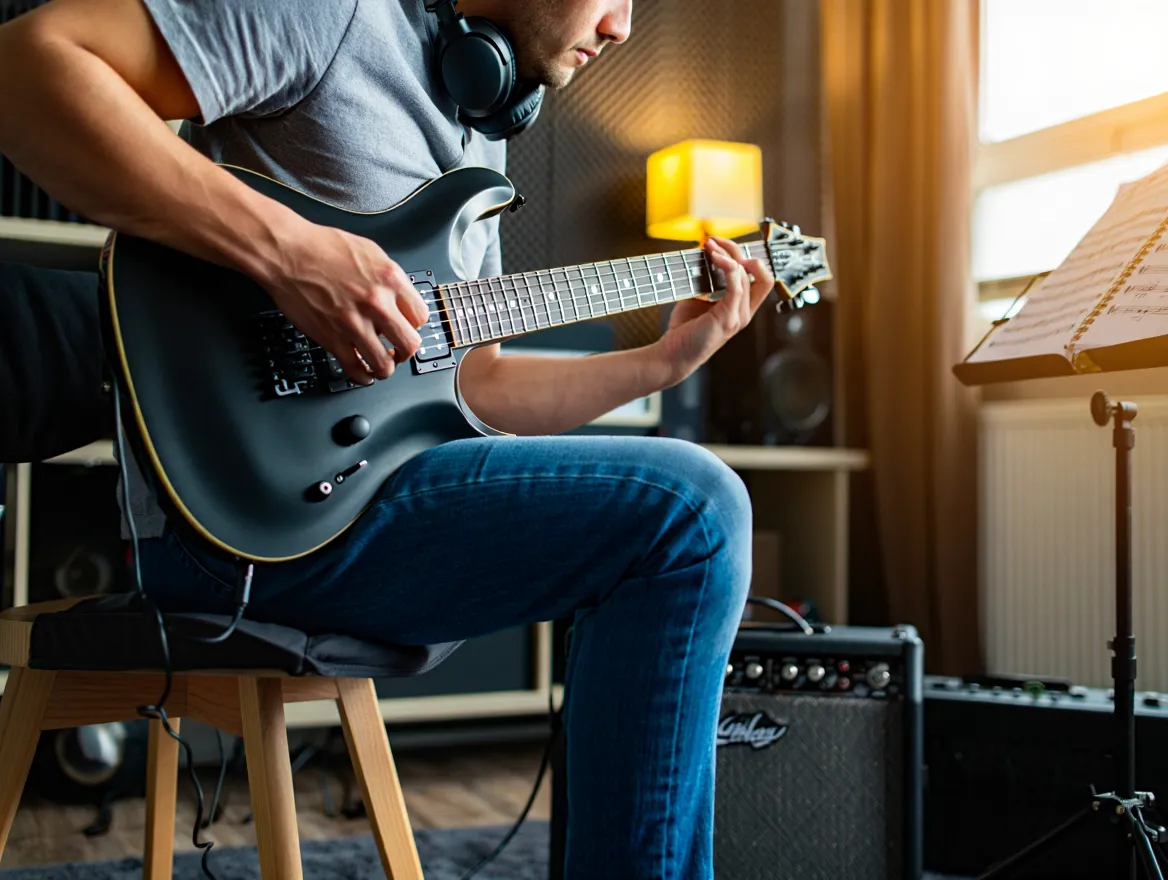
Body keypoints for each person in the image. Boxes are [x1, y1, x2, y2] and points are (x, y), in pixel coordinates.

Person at [0, 1, 777, 876]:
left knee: (686, 514)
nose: (623, 28)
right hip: (239, 520)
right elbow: (28, 70)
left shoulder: (483, 132)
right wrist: (290, 253)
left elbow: (476, 385)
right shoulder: (331, 14)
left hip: (367, 502)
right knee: (695, 512)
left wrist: (662, 365)